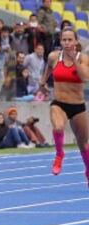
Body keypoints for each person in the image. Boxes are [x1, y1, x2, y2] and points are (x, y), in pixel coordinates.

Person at [39, 27, 89, 186]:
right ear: (60, 41)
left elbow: (85, 78)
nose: (67, 43)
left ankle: (88, 170)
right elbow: (48, 69)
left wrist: (74, 60)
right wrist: (42, 83)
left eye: (70, 40)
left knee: (84, 145)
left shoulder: (83, 58)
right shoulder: (54, 56)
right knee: (58, 127)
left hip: (78, 106)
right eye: (64, 40)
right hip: (59, 103)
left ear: (75, 42)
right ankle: (59, 154)